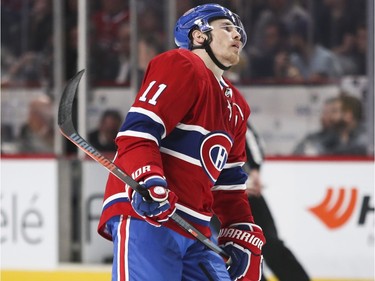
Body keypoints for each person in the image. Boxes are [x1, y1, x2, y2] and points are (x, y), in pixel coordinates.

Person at [98, 4, 265, 281]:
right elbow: (138, 133)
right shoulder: (180, 64)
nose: (237, 35)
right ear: (199, 35)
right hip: (149, 217)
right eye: (226, 27)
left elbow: (229, 181)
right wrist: (148, 178)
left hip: (195, 229)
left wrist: (240, 229)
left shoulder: (237, 105)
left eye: (238, 30)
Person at [244, 122, 311, 281]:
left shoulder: (230, 106)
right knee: (236, 250)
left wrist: (254, 170)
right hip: (214, 199)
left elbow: (252, 139)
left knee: (270, 243)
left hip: (248, 193)